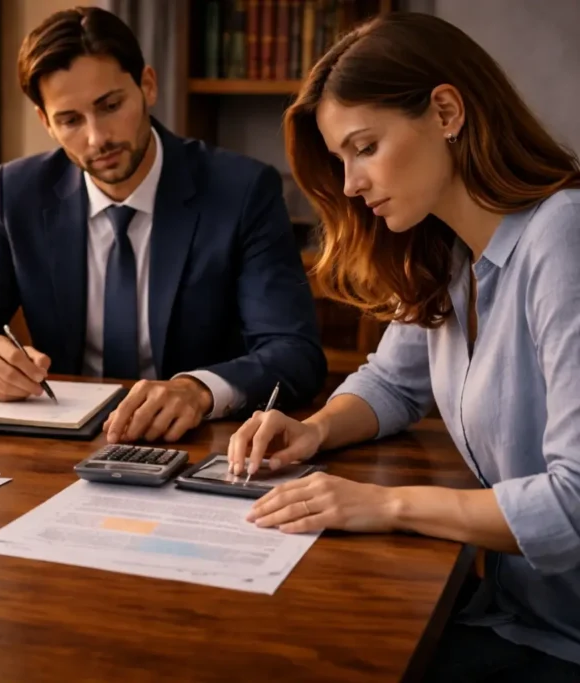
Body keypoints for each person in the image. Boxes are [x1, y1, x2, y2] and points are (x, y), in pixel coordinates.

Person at [226, 12, 580, 682]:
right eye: (340, 160)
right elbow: (391, 383)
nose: (352, 185)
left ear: (446, 110)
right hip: (507, 610)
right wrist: (313, 429)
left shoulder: (563, 238)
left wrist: (382, 503)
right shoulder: (450, 250)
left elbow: (574, 503)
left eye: (365, 147)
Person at [0, 7, 326, 444]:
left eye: (110, 106)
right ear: (46, 123)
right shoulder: (19, 193)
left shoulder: (241, 190)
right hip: (62, 443)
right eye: (70, 120)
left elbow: (294, 354)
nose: (97, 138)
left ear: (147, 86)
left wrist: (198, 390)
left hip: (197, 444)